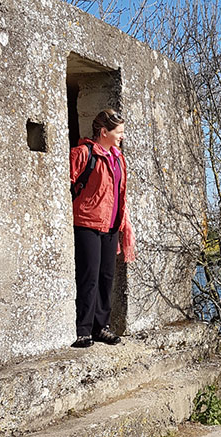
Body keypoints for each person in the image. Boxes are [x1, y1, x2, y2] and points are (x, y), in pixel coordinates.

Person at [69, 109, 136, 348]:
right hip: (87, 223)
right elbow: (65, 184)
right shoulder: (82, 153)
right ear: (103, 131)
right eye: (119, 132)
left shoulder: (118, 158)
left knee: (106, 278)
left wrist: (123, 224)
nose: (122, 137)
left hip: (111, 226)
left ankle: (101, 327)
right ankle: (83, 330)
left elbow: (120, 193)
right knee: (89, 278)